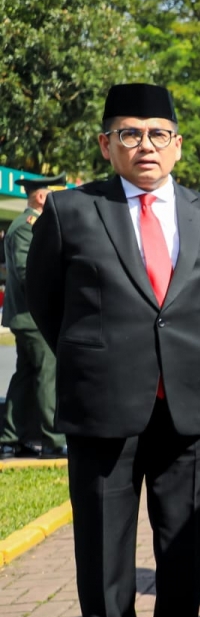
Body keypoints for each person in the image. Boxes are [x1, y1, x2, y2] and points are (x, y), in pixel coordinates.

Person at [26, 83, 200, 617]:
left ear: (178, 146)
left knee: (183, 556)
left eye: (158, 134)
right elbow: (44, 302)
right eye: (129, 133)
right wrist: (99, 356)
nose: (145, 145)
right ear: (106, 144)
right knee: (103, 555)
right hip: (102, 409)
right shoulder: (71, 212)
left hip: (189, 413)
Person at [1, 175, 68, 459]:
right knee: (46, 375)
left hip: (29, 316)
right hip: (32, 317)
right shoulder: (26, 228)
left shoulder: (30, 226)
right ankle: (53, 440)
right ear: (41, 197)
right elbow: (29, 272)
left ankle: (12, 437)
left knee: (26, 376)